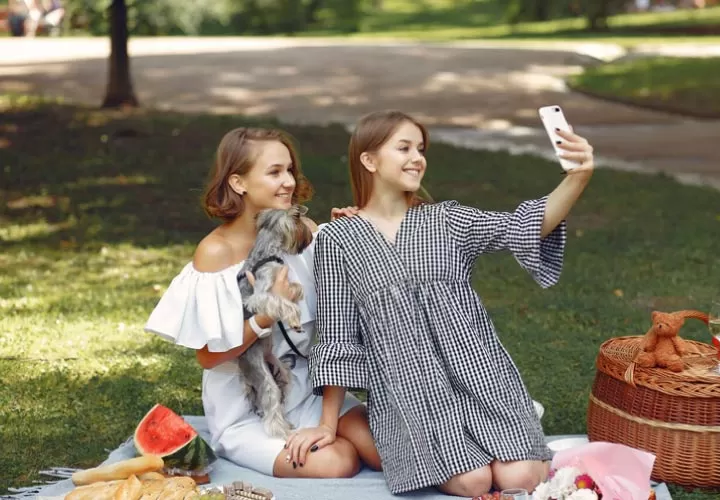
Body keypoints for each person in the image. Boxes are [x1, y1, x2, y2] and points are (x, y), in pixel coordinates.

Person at [298, 110, 595, 497]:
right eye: (403, 147)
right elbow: (337, 336)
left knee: (519, 478)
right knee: (473, 483)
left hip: (481, 375)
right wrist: (327, 422)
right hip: (413, 389)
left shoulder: (447, 220)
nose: (417, 157)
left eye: (420, 148)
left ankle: (513, 422)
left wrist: (578, 177)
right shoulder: (339, 239)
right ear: (369, 160)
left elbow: (523, 226)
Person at [144, 127, 381, 478]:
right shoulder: (215, 253)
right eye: (274, 172)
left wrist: (345, 242)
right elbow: (208, 357)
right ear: (238, 183)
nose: (288, 181)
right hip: (246, 411)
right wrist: (266, 316)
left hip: (308, 391)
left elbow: (349, 306)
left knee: (387, 452)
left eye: (289, 170)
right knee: (339, 460)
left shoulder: (304, 233)